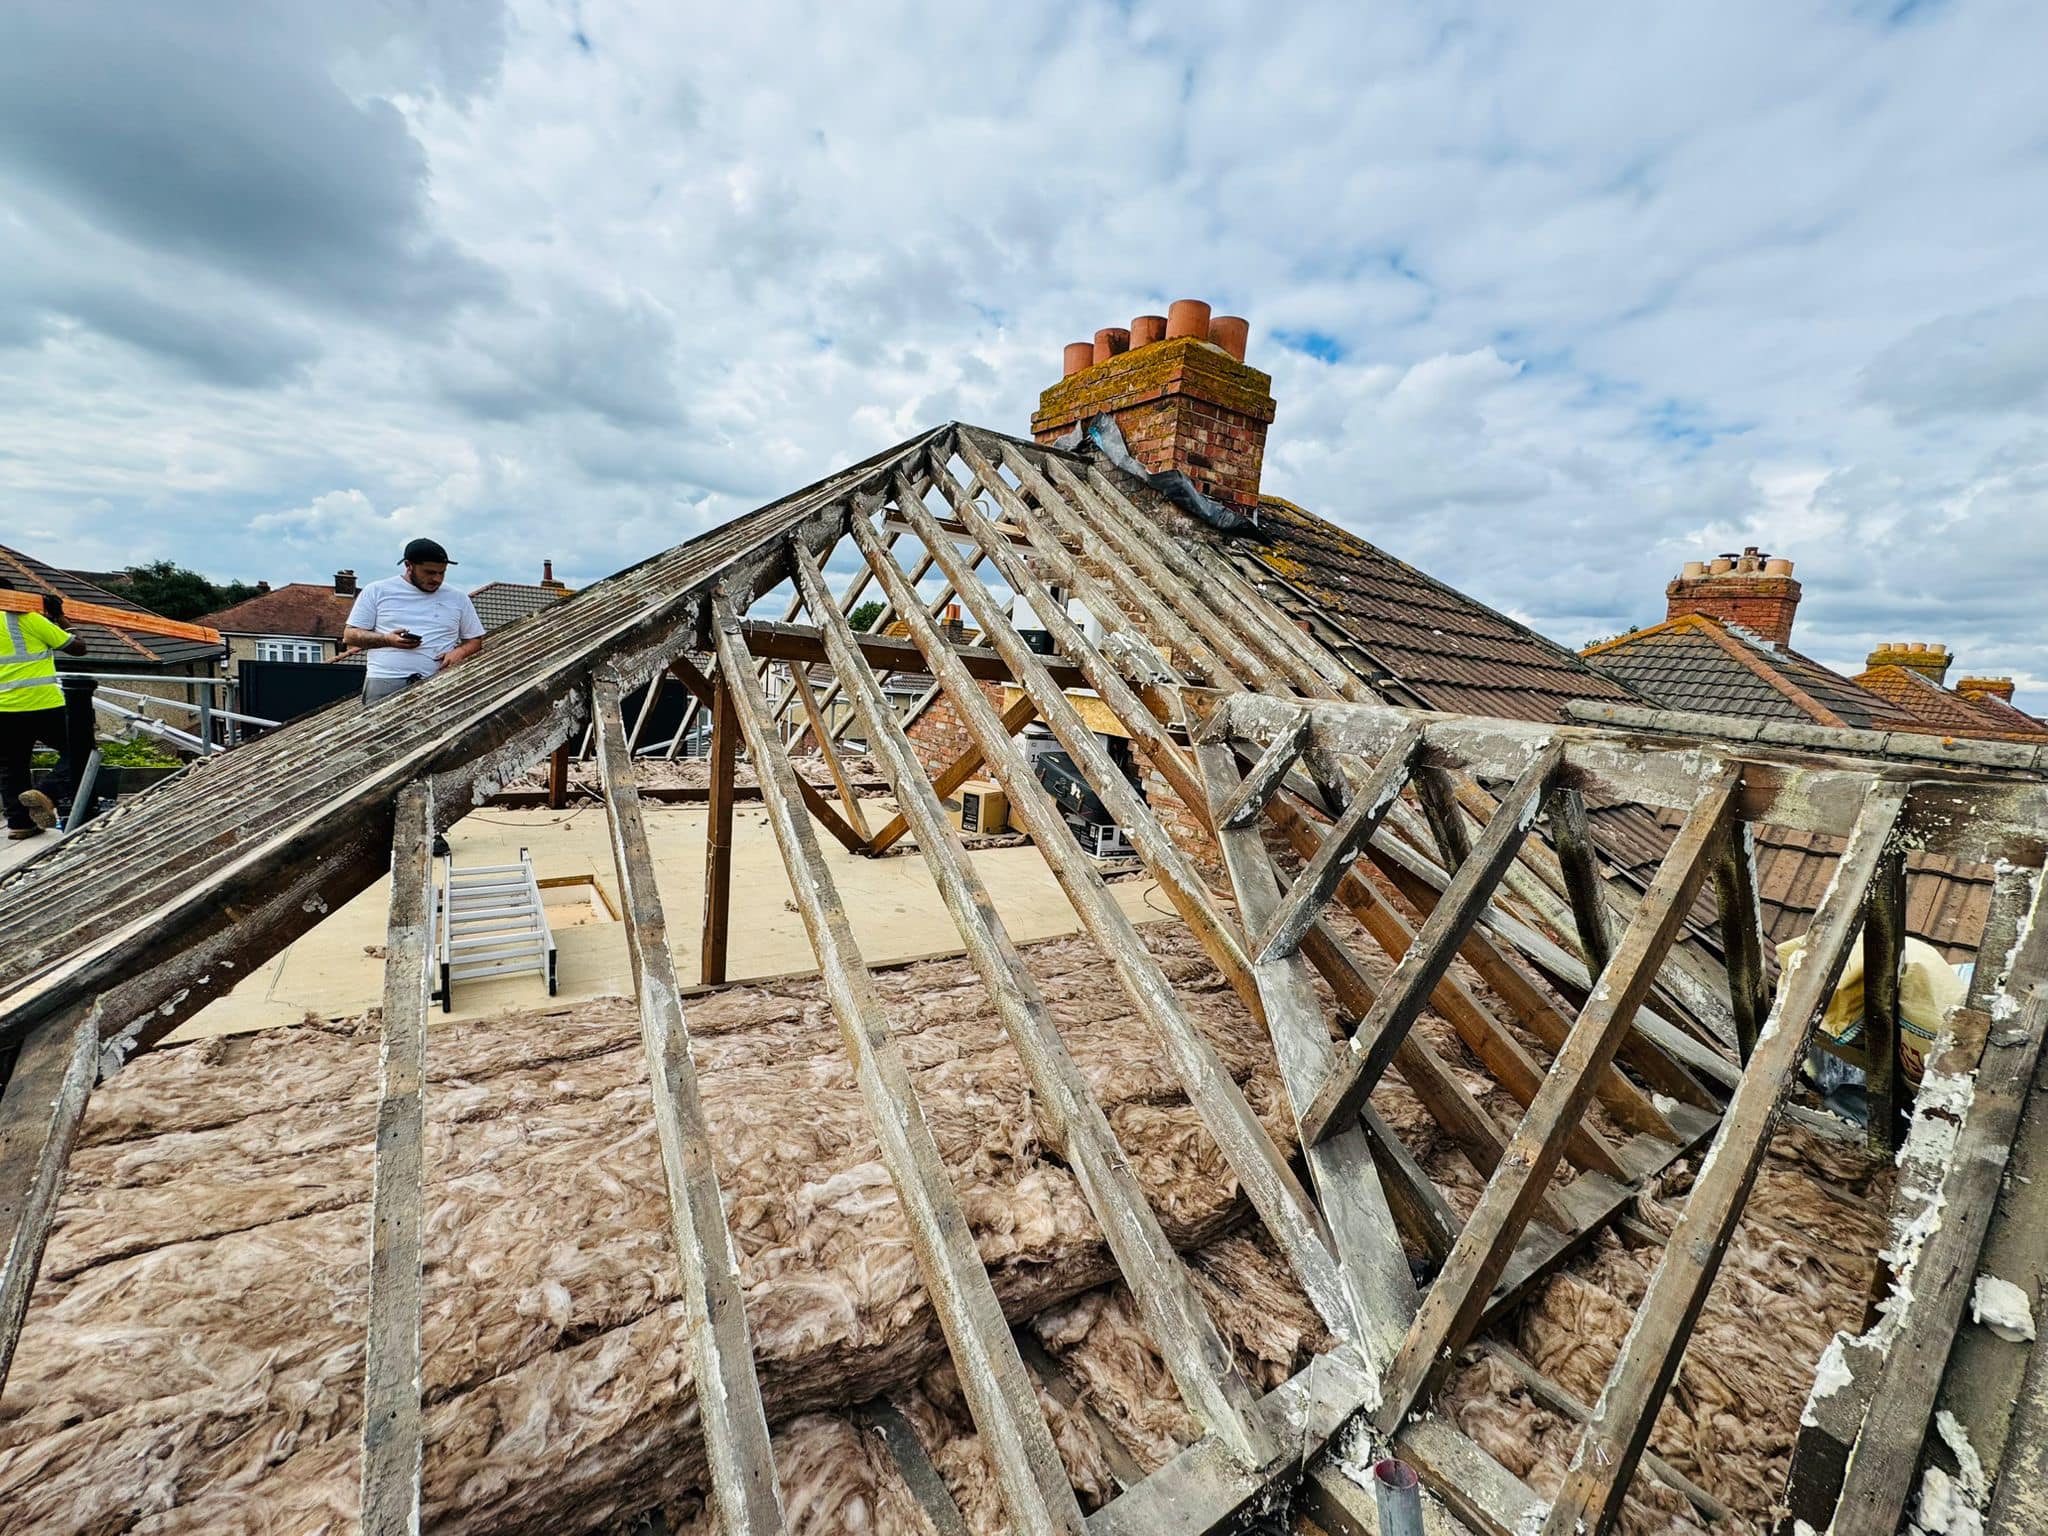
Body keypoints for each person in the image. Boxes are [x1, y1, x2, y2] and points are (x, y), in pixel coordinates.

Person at [342, 538, 485, 706]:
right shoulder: (377, 591)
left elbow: (475, 640)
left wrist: (459, 653)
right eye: (429, 572)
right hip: (386, 681)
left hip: (442, 681)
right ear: (409, 565)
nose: (437, 579)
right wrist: (387, 640)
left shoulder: (458, 598)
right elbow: (350, 636)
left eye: (442, 573)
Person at [1, 582, 90, 841]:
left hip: (3, 709)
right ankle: (47, 793)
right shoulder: (27, 619)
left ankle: (20, 824)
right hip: (43, 704)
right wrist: (59, 618)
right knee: (81, 749)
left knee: (11, 767)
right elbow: (78, 648)